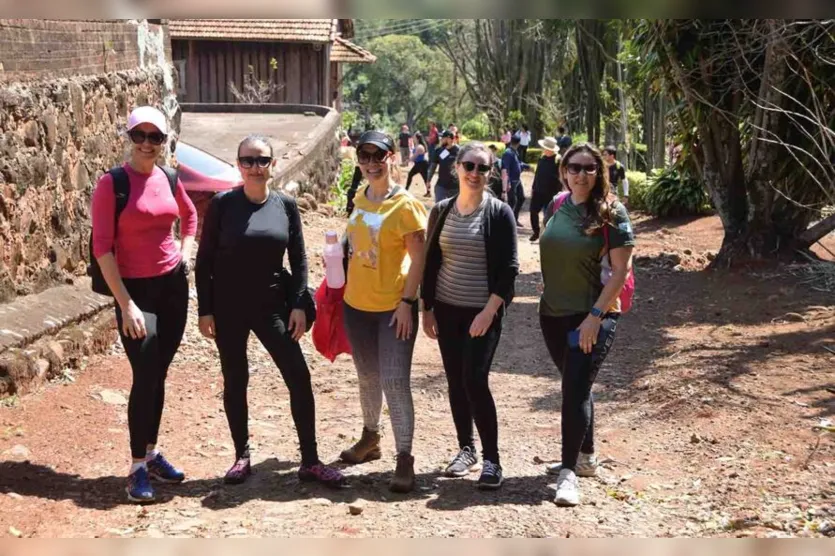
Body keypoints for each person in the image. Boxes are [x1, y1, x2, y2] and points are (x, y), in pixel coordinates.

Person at [195, 135, 346, 488]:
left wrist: (297, 304)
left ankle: (310, 460)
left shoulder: (285, 205)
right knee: (236, 379)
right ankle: (241, 455)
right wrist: (205, 310)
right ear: (238, 165)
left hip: (272, 305)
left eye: (262, 160)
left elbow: (299, 258)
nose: (255, 167)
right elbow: (204, 262)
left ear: (272, 164)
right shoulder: (222, 205)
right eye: (248, 161)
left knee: (298, 375)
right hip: (228, 306)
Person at [91, 105, 197, 503]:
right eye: (141, 136)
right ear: (129, 138)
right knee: (145, 373)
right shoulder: (112, 184)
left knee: (159, 373)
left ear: (164, 141)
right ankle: (136, 466)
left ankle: (151, 453)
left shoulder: (170, 177)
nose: (148, 144)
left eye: (156, 137)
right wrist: (127, 305)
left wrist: (187, 251)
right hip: (135, 294)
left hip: (172, 289)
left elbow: (189, 217)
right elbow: (102, 249)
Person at [537, 143, 635, 507]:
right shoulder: (558, 205)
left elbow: (620, 271)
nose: (581, 174)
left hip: (594, 315)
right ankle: (587, 456)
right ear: (564, 170)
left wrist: (595, 316)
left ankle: (567, 474)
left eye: (589, 168)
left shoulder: (612, 213)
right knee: (575, 383)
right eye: (574, 167)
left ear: (600, 172)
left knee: (574, 389)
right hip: (552, 313)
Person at [421, 142, 519, 490]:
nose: (475, 173)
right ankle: (467, 449)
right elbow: (431, 261)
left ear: (490, 172)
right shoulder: (442, 211)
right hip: (446, 310)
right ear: (457, 168)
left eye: (482, 167)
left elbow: (509, 270)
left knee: (475, 380)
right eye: (469, 165)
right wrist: (426, 307)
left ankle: (492, 460)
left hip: (483, 311)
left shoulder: (499, 212)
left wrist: (489, 312)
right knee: (455, 380)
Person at [339, 130, 428, 494]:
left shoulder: (406, 205)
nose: (372, 164)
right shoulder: (359, 195)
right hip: (355, 305)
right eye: (365, 157)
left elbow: (420, 258)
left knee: (394, 382)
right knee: (367, 378)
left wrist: (408, 303)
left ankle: (404, 457)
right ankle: (370, 438)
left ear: (392, 157)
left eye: (379, 157)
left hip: (393, 309)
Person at [529, 136, 561, 242]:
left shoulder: (558, 161)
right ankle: (536, 232)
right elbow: (537, 174)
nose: (544, 149)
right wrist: (533, 188)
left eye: (545, 148)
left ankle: (547, 234)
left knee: (549, 214)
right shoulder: (541, 159)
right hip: (538, 190)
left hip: (551, 192)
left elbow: (561, 178)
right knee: (533, 211)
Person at [501, 134, 525, 226]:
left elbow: (518, 163)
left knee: (521, 198)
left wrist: (526, 166)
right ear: (519, 143)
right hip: (511, 181)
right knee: (512, 201)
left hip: (517, 180)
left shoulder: (515, 152)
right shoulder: (508, 153)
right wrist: (508, 182)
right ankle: (506, 221)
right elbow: (505, 169)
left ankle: (514, 218)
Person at [434, 130, 460, 202]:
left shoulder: (459, 151)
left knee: (454, 209)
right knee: (439, 208)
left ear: (449, 139)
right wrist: (428, 180)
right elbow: (433, 165)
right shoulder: (439, 151)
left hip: (455, 187)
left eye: (443, 138)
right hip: (441, 185)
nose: (441, 140)